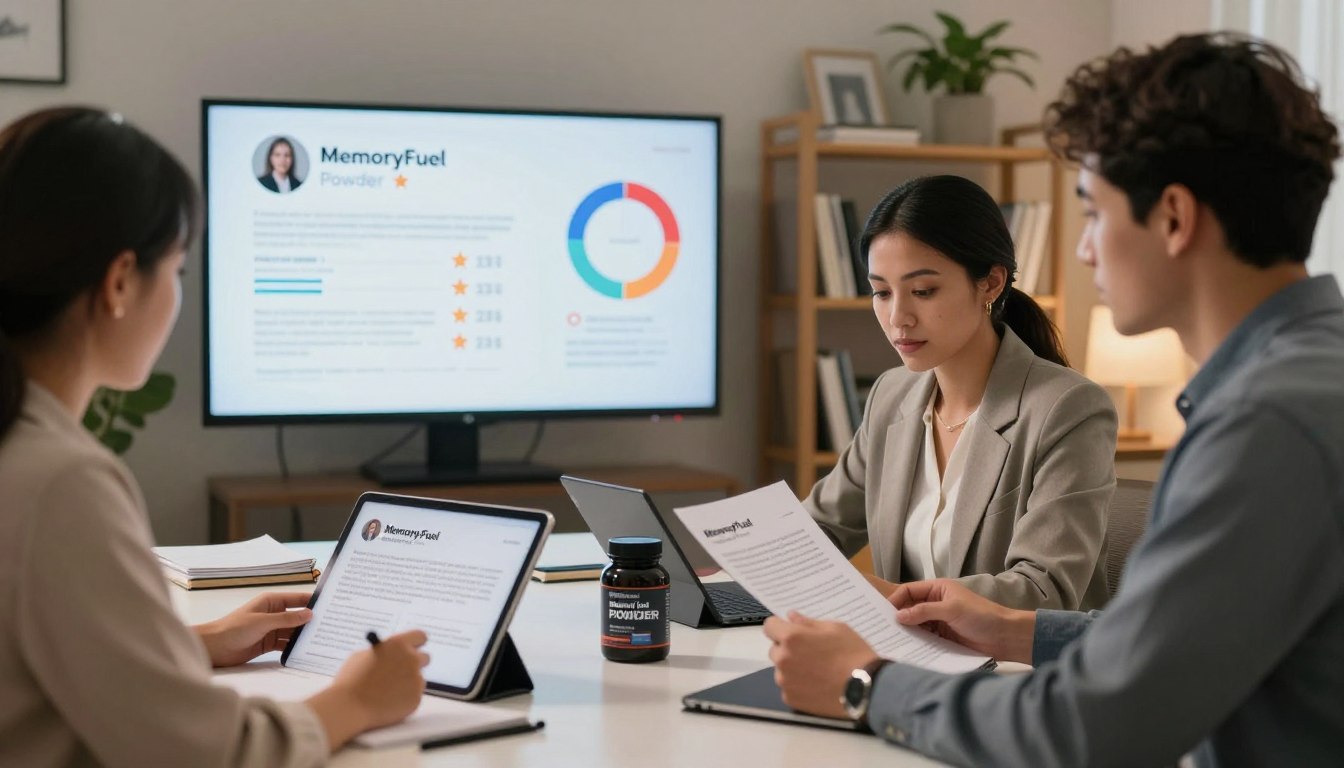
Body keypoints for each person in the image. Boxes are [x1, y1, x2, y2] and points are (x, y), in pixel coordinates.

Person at [766, 33, 1344, 767]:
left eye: (1094, 213)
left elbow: (1091, 725)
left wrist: (866, 685)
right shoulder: (1304, 382)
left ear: (1173, 217)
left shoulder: (1266, 427)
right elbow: (1167, 650)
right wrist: (1016, 630)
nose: (1083, 250)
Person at [0, 107, 426, 766]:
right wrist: (359, 700)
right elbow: (204, 755)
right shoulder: (59, 480)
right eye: (177, 270)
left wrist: (190, 644)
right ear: (118, 282)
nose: (177, 293)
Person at [804, 174, 1117, 611]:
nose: (898, 318)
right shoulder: (891, 396)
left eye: (923, 291)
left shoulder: (1067, 409)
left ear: (990, 282)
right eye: (881, 292)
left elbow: (1045, 590)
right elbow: (815, 529)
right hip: (911, 657)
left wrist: (896, 600)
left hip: (1016, 670)